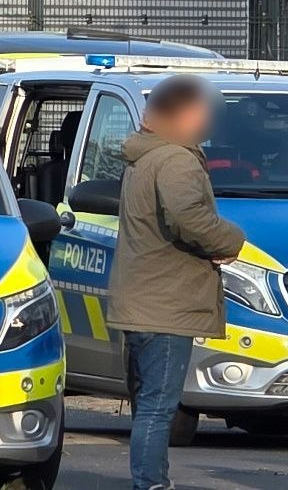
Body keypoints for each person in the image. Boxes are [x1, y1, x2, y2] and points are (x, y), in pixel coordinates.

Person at [107, 73, 247, 490]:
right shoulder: (176, 160)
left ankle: (149, 479)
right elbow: (189, 219)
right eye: (201, 111)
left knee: (147, 403)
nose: (207, 120)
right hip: (166, 305)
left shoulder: (145, 158)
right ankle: (151, 482)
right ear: (183, 114)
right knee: (157, 407)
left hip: (142, 300)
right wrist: (231, 240)